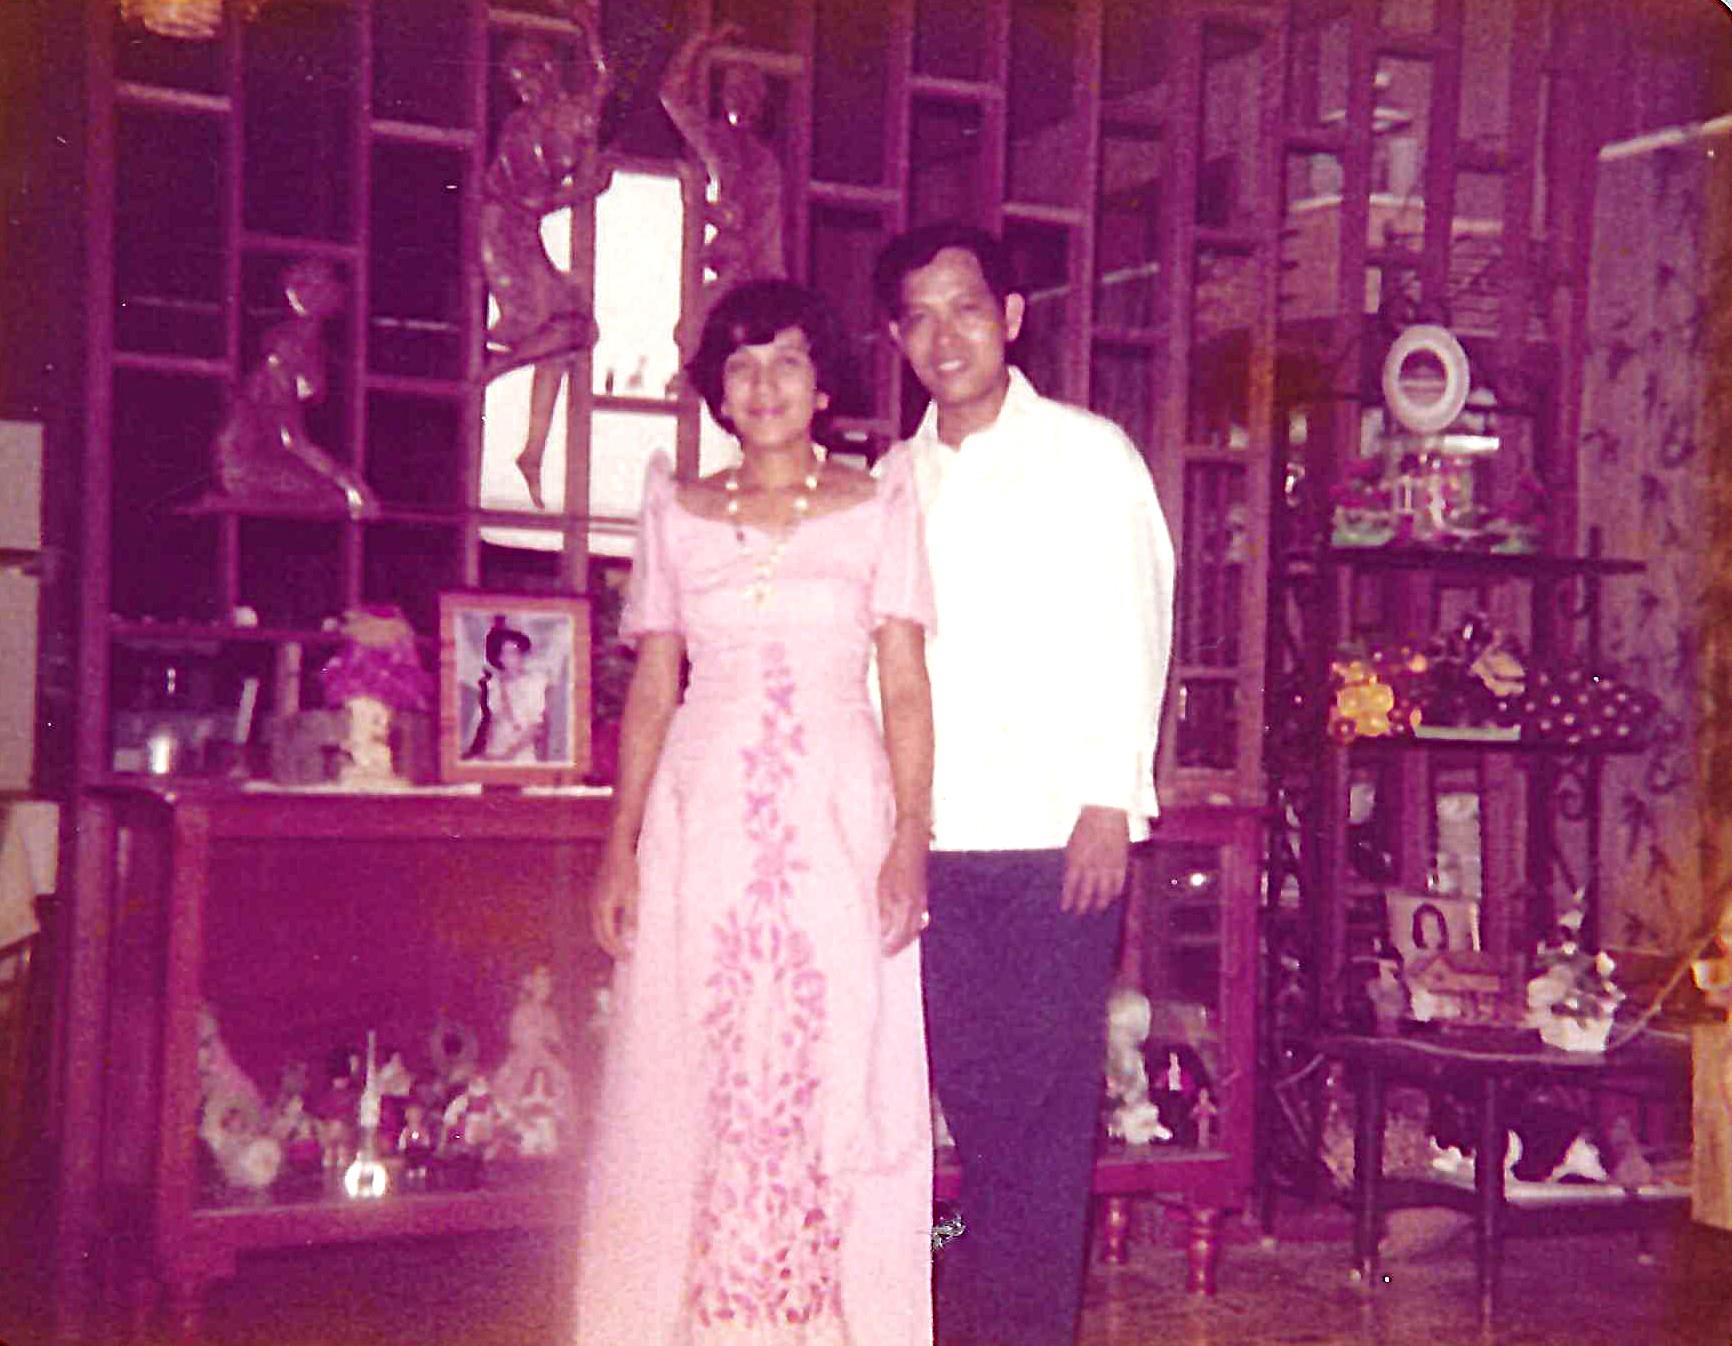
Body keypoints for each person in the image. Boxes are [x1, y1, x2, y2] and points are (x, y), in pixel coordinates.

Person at [577, 278, 937, 1344]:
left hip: (839, 814)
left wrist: (910, 838)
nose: (764, 383)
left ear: (822, 384)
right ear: (717, 390)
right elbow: (653, 688)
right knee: (694, 1048)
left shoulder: (879, 503)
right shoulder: (675, 510)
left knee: (837, 1045)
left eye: (786, 360)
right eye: (740, 364)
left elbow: (905, 685)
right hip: (707, 814)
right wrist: (620, 846)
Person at [872, 223, 1175, 1346]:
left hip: (1055, 836)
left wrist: (1108, 800)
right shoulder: (888, 482)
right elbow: (874, 671)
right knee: (968, 1107)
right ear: (898, 339)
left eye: (965, 307)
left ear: (1010, 316)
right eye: (919, 317)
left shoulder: (1090, 456)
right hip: (932, 841)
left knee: (1043, 1119)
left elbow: (1136, 625)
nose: (944, 336)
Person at [465, 619, 550, 763]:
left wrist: (506, 756)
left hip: (520, 755)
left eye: (518, 652)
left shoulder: (535, 683)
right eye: (509, 653)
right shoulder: (491, 685)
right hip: (492, 750)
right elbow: (486, 723)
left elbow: (535, 729)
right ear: (499, 657)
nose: (516, 657)